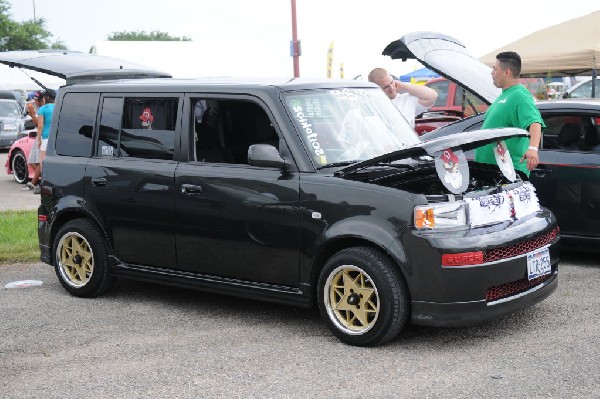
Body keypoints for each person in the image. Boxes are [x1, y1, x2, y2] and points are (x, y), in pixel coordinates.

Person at [474, 51, 544, 179]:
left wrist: (533, 148)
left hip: (508, 172)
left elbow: (534, 122)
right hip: (491, 170)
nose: (492, 73)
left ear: (507, 72)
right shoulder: (504, 95)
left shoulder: (520, 95)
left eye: (495, 69)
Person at [368, 67, 437, 126]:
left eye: (392, 82)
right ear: (376, 88)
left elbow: (432, 96)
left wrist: (404, 86)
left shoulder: (407, 100)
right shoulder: (371, 107)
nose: (392, 88)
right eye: (386, 87)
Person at [22, 91, 44, 191]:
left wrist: (32, 115)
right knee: (31, 161)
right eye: (34, 100)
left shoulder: (43, 109)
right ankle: (44, 179)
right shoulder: (40, 109)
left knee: (39, 162)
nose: (35, 102)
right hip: (38, 137)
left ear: (42, 100)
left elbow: (39, 125)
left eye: (36, 100)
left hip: (42, 137)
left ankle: (33, 183)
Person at [34, 91, 55, 194]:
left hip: (46, 138)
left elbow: (40, 126)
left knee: (43, 161)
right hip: (56, 138)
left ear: (45, 98)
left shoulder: (43, 109)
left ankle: (44, 184)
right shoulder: (58, 106)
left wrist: (39, 140)